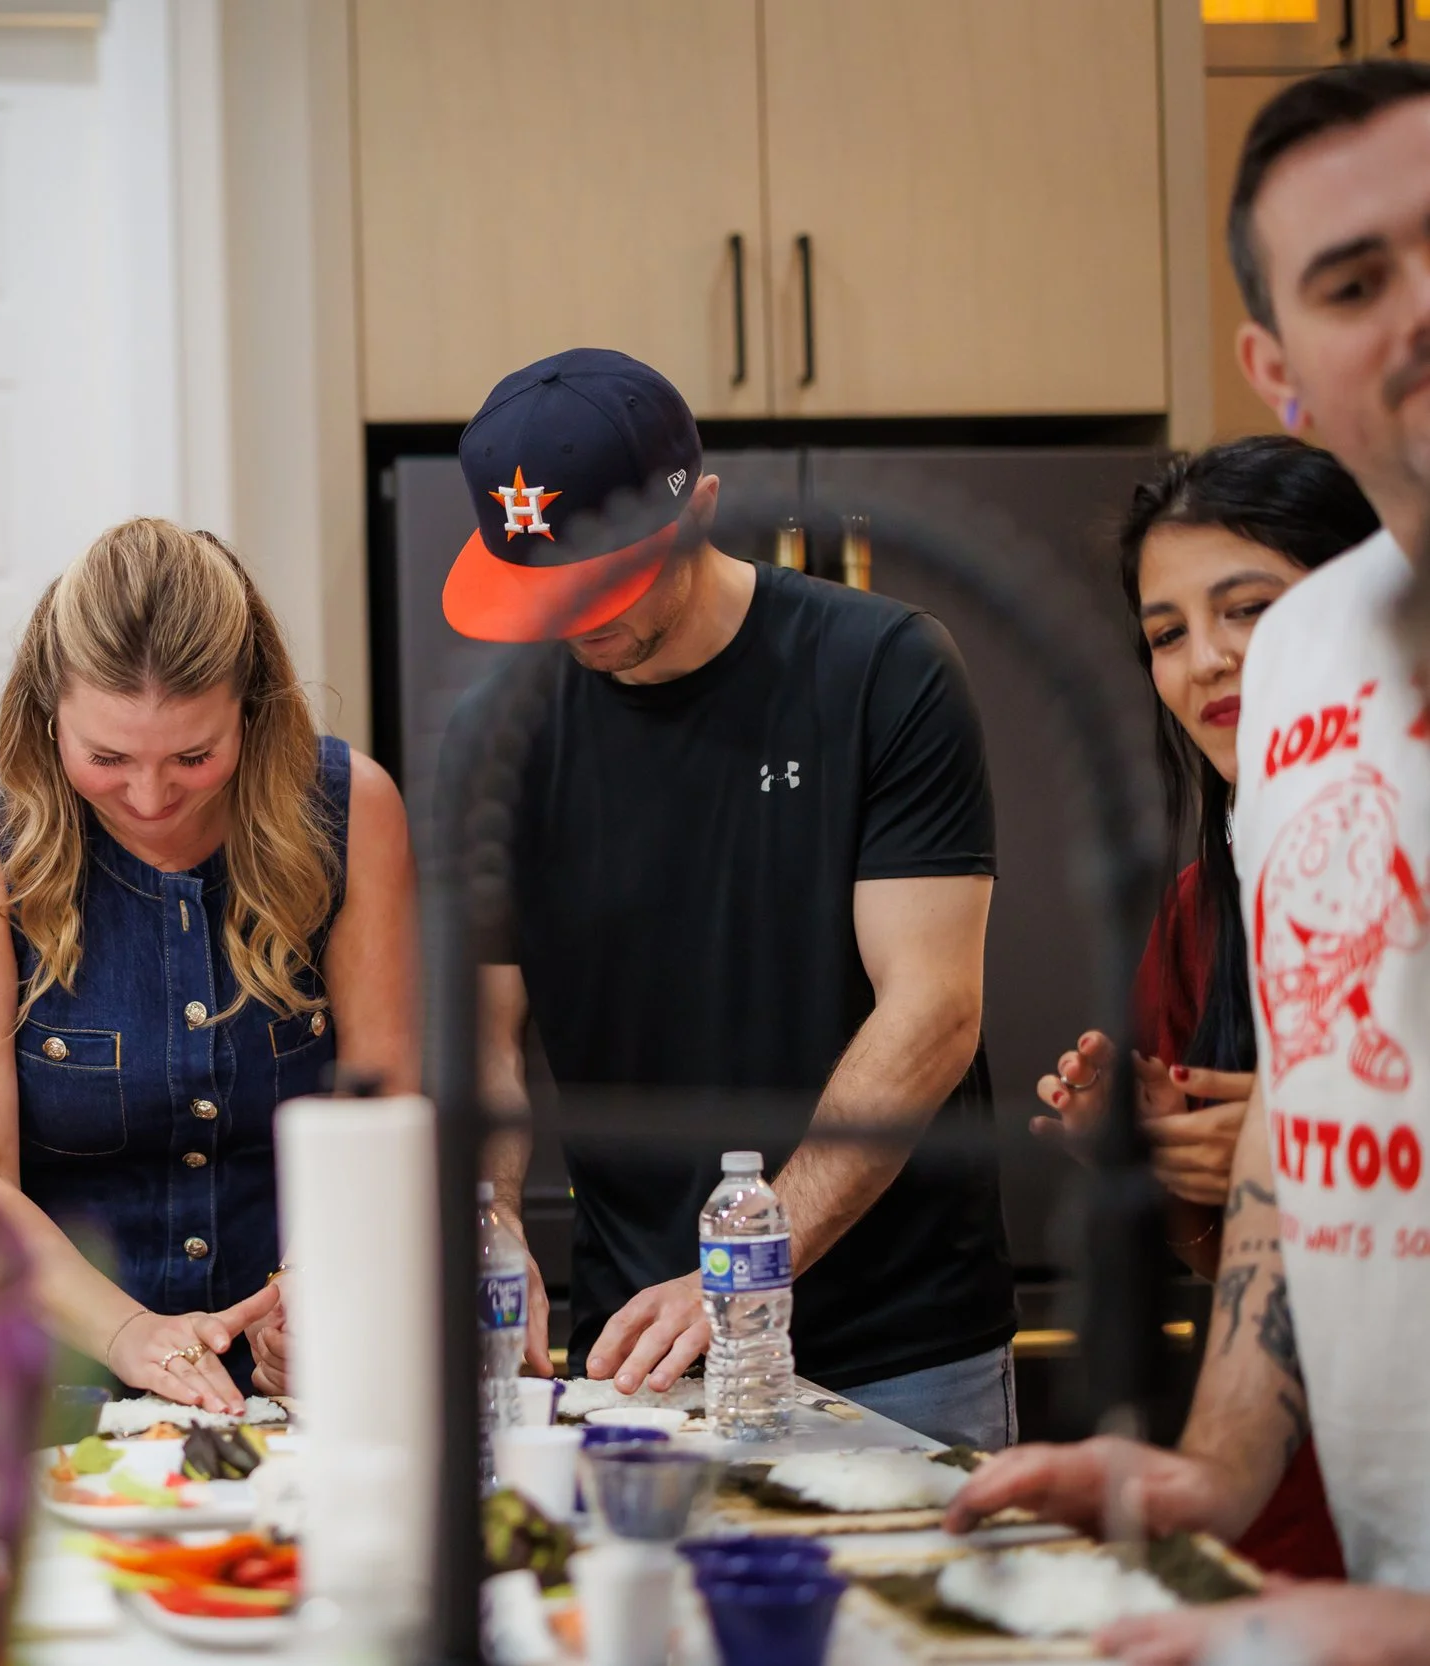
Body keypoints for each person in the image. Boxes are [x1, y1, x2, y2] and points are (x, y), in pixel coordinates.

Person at [949, 61, 1430, 1665]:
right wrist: (1218, 1464)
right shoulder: (1310, 670)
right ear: (1280, 363)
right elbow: (1313, 1119)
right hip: (1365, 1538)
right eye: (1357, 278)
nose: (1416, 306)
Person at [454, 348, 1018, 1448]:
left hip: (900, 1344)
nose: (576, 621)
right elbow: (486, 1027)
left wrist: (744, 1265)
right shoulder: (506, 734)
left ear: (700, 507)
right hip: (637, 1347)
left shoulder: (882, 670)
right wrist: (492, 1215)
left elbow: (932, 1009)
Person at [0, 518, 418, 1413]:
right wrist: (129, 1333)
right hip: (57, 1385)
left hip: (299, 1383)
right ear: (45, 710)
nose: (148, 795)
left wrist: (316, 1298)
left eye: (193, 756)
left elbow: (387, 1121)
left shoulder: (350, 809)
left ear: (251, 709)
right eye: (106, 757)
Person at [1031, 439, 1375, 1578]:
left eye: (1248, 608)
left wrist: (1320, 1153)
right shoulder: (1202, 906)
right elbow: (1226, 1258)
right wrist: (1154, 1157)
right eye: (1166, 632)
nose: (1207, 661)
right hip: (1291, 1498)